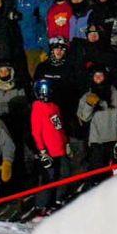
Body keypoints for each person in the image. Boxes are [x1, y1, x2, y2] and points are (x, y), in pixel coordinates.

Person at [30, 78, 70, 216]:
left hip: (59, 149)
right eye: (42, 91)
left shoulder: (55, 107)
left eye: (47, 91)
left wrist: (66, 143)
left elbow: (59, 127)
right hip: (47, 151)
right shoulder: (38, 108)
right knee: (48, 178)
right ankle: (41, 206)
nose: (45, 94)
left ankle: (53, 203)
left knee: (60, 176)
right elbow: (36, 131)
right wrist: (42, 150)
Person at [77, 65, 117, 169]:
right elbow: (83, 118)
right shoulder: (86, 96)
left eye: (100, 75)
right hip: (96, 142)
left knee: (114, 173)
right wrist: (89, 105)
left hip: (114, 139)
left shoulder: (115, 94)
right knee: (98, 173)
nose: (97, 78)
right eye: (95, 75)